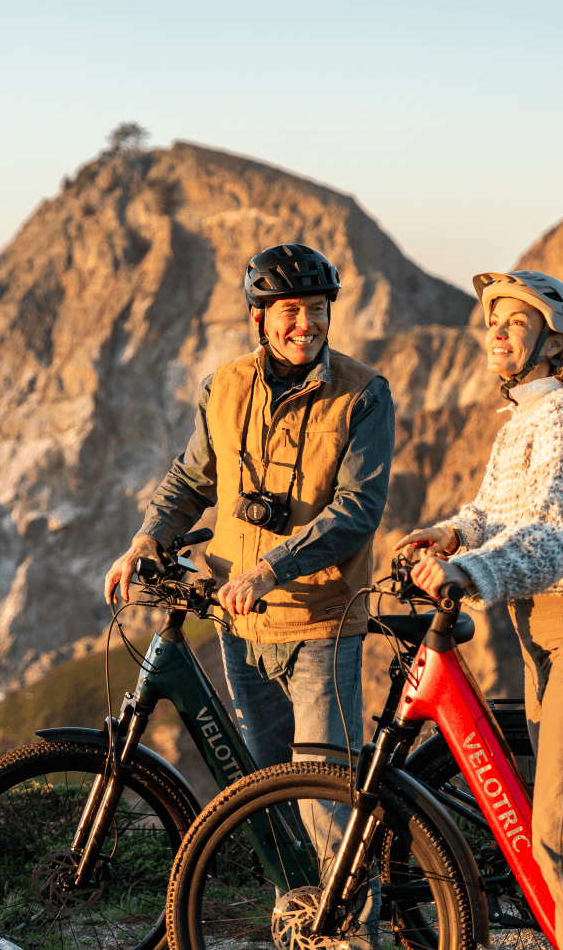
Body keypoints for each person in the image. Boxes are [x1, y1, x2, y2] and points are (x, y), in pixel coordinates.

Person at [395, 270, 563, 950]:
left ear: (553, 341)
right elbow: (497, 513)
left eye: (515, 321)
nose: (497, 331)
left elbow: (556, 529)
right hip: (552, 634)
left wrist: (466, 572)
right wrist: (453, 533)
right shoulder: (527, 421)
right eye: (492, 321)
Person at [103, 242, 395, 775]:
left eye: (317, 310)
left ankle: (350, 863)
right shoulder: (224, 386)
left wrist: (271, 570)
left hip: (320, 622)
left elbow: (358, 509)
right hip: (239, 622)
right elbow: (192, 479)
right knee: (264, 788)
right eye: (291, 311)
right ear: (259, 318)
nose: (306, 324)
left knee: (323, 795)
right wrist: (147, 539)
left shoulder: (364, 394)